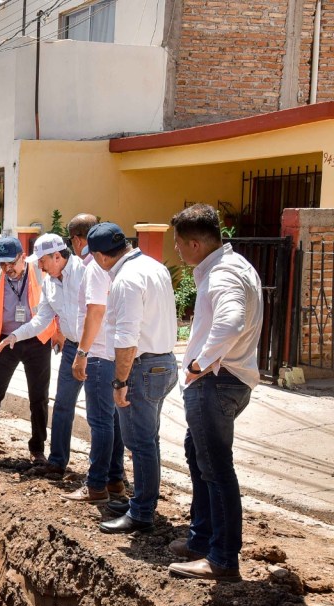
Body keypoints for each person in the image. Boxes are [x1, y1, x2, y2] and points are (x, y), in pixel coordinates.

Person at [167, 204, 262, 582]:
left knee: (216, 469)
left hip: (216, 382)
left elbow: (231, 321)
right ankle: (201, 539)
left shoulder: (223, 274)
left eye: (177, 243)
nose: (175, 250)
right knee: (199, 456)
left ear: (194, 243)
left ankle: (221, 558)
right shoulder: (233, 265)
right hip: (226, 381)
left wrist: (198, 365)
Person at [87, 223, 178, 534]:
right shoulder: (153, 266)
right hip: (163, 360)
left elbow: (127, 338)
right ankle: (143, 500)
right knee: (148, 440)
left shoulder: (125, 280)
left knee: (139, 443)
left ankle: (141, 512)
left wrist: (120, 382)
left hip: (141, 367)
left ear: (100, 257)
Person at [0, 236, 58, 464]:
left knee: (38, 397)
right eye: (2, 264)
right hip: (6, 341)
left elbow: (56, 307)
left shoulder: (40, 273)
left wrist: (60, 334)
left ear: (23, 257)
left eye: (11, 263)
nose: (7, 268)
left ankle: (37, 449)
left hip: (38, 340)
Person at [58, 215, 127, 505]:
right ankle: (113, 480)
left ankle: (96, 484)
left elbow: (95, 312)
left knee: (101, 422)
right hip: (112, 352)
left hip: (99, 353)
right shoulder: (109, 266)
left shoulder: (97, 267)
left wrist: (82, 353)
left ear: (77, 240)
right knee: (113, 422)